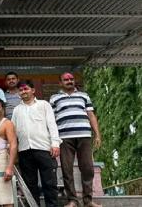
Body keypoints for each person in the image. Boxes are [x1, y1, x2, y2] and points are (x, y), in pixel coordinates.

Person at [50, 73, 102, 207]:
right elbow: (50, 120)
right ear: (60, 83)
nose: (69, 81)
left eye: (71, 79)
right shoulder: (54, 98)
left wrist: (97, 134)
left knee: (88, 168)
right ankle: (72, 200)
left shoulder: (84, 96)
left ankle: (88, 200)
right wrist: (53, 140)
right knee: (67, 170)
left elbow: (91, 114)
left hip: (84, 135)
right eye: (66, 80)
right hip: (64, 138)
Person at [11, 81, 61, 207]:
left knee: (49, 183)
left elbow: (52, 125)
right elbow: (13, 131)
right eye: (21, 90)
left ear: (33, 90)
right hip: (24, 151)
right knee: (30, 184)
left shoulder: (44, 105)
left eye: (26, 89)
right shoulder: (17, 110)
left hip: (44, 149)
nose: (23, 91)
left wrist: (55, 143)